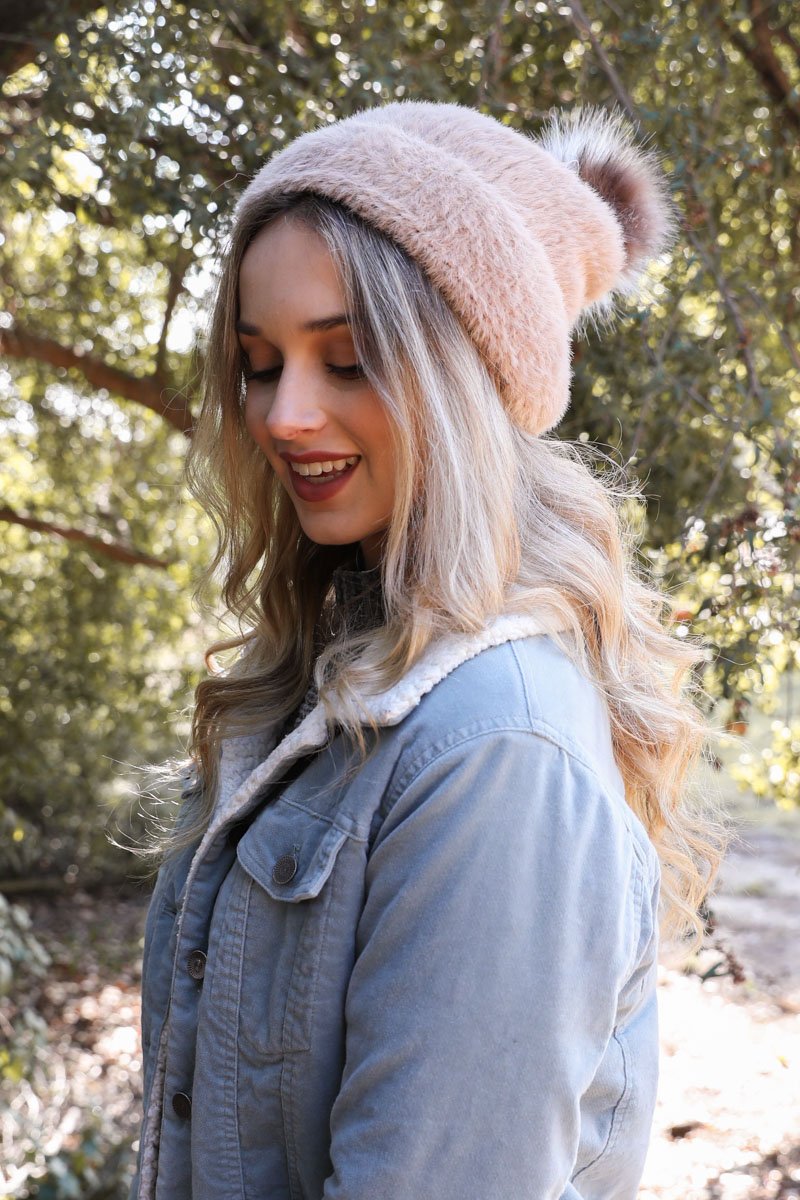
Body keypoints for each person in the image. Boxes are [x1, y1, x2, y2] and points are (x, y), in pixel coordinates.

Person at [130, 99, 722, 1200]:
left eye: (348, 359)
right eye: (260, 363)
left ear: (466, 377)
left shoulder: (494, 748)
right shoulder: (338, 678)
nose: (283, 415)